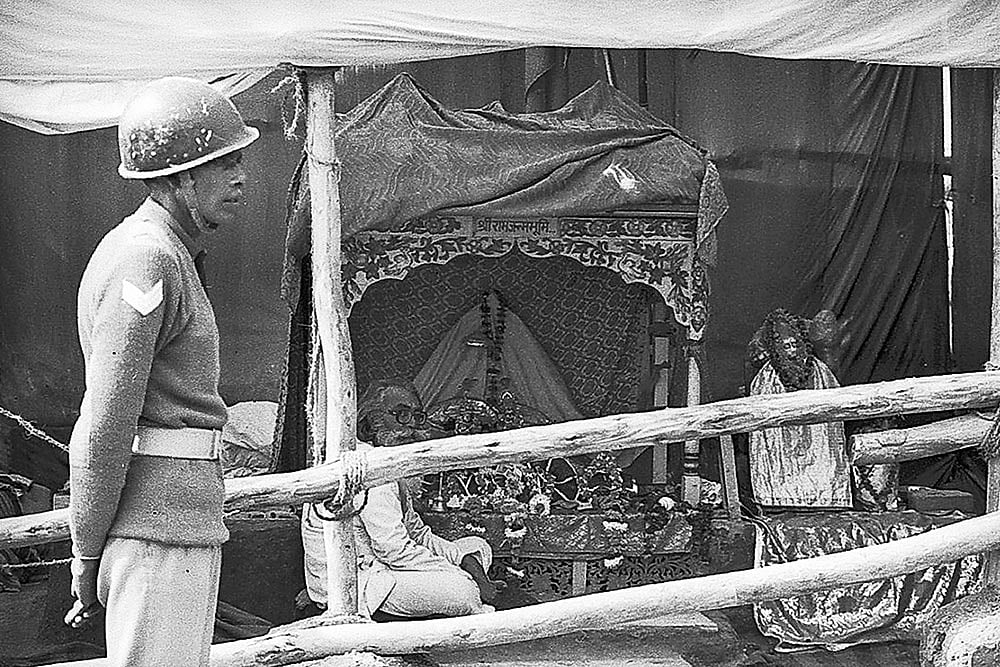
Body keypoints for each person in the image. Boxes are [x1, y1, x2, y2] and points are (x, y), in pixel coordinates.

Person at [65, 77, 259, 666]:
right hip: (155, 526)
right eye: (223, 163)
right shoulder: (146, 257)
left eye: (240, 160)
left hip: (177, 519)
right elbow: (104, 424)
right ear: (179, 177)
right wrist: (85, 551)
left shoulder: (170, 253)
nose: (241, 177)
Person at [300, 380, 498, 620]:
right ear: (370, 423)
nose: (412, 427)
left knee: (477, 547)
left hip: (385, 565)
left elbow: (417, 533)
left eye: (417, 416)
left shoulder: (392, 464)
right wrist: (461, 574)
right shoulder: (371, 468)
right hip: (359, 580)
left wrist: (463, 559)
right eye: (401, 415)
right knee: (462, 591)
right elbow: (393, 550)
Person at [746, 309, 853, 509]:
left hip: (818, 436)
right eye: (783, 343)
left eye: (794, 342)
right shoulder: (767, 378)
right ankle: (779, 499)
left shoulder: (820, 372)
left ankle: (825, 498)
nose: (791, 349)